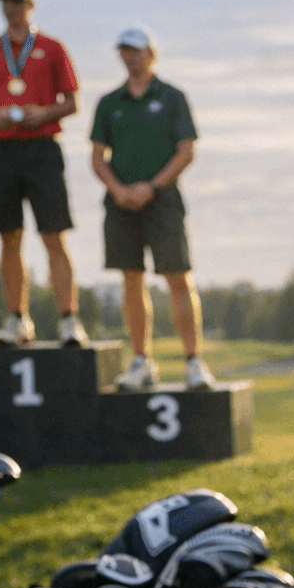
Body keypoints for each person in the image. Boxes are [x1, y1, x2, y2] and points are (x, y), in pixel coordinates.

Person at [90, 26, 214, 391]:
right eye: (125, 51)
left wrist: (153, 186)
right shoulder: (109, 102)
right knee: (131, 279)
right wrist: (118, 189)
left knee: (177, 276)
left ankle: (193, 361)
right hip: (121, 202)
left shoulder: (172, 97)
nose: (131, 57)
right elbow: (97, 157)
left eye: (137, 50)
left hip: (163, 200)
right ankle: (142, 360)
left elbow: (186, 151)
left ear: (151, 53)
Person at [0, 0, 85, 347]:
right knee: (9, 237)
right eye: (6, 1)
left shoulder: (52, 48)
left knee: (54, 234)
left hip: (42, 148)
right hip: (1, 149)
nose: (12, 7)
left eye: (18, 1)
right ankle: (18, 318)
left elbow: (73, 101)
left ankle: (69, 318)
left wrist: (44, 112)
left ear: (30, 4)